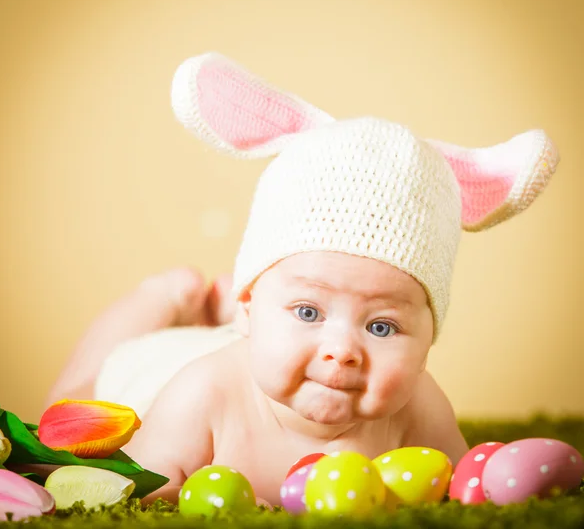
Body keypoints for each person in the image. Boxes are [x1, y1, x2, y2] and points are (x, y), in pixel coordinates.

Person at [45, 52, 560, 506]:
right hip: (151, 371)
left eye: (381, 327)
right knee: (70, 411)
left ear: (428, 344)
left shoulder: (420, 406)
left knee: (289, 308)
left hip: (253, 318)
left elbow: (460, 479)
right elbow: (139, 488)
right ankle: (176, 294)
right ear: (252, 307)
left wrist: (496, 477)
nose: (343, 351)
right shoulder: (202, 394)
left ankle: (246, 304)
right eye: (310, 313)